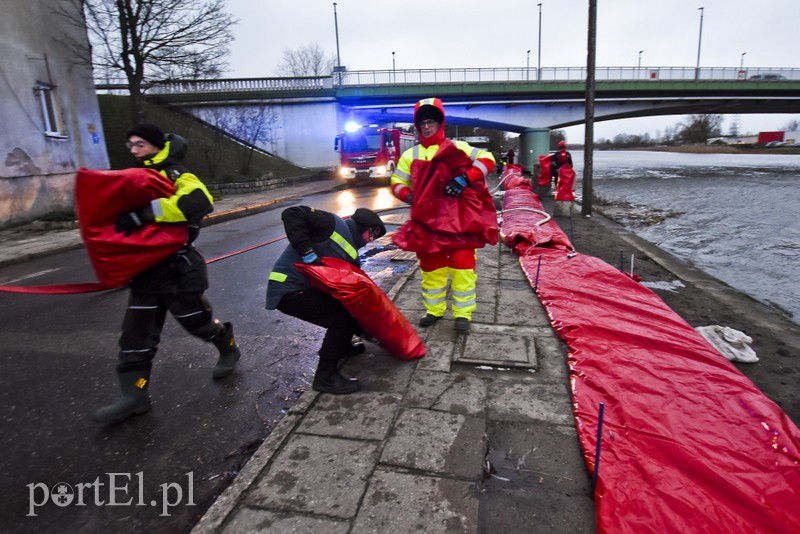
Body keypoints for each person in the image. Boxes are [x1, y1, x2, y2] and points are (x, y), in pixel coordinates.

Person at [93, 124, 241, 424]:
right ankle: (135, 395)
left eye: (140, 145)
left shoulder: (177, 175)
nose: (133, 151)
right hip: (145, 273)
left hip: (179, 270)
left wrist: (147, 212)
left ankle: (227, 345)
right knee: (136, 338)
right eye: (130, 145)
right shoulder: (133, 179)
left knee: (197, 323)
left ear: (158, 146)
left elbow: (198, 202)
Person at [390, 98, 496, 333]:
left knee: (463, 268)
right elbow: (396, 182)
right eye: (422, 122)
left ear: (441, 123)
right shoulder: (410, 154)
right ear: (417, 126)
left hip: (460, 222)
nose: (427, 126)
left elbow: (488, 159)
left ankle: (463, 314)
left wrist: (465, 178)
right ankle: (434, 311)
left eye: (431, 121)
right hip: (427, 224)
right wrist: (410, 197)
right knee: (431, 269)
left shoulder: (458, 147)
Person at [266, 205, 386, 394]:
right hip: (289, 288)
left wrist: (369, 328)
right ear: (364, 227)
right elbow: (292, 214)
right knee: (341, 322)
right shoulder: (332, 224)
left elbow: (351, 296)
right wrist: (307, 251)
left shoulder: (352, 255)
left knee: (345, 311)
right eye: (371, 235)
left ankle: (343, 348)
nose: (370, 241)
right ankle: (325, 377)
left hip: (303, 289)